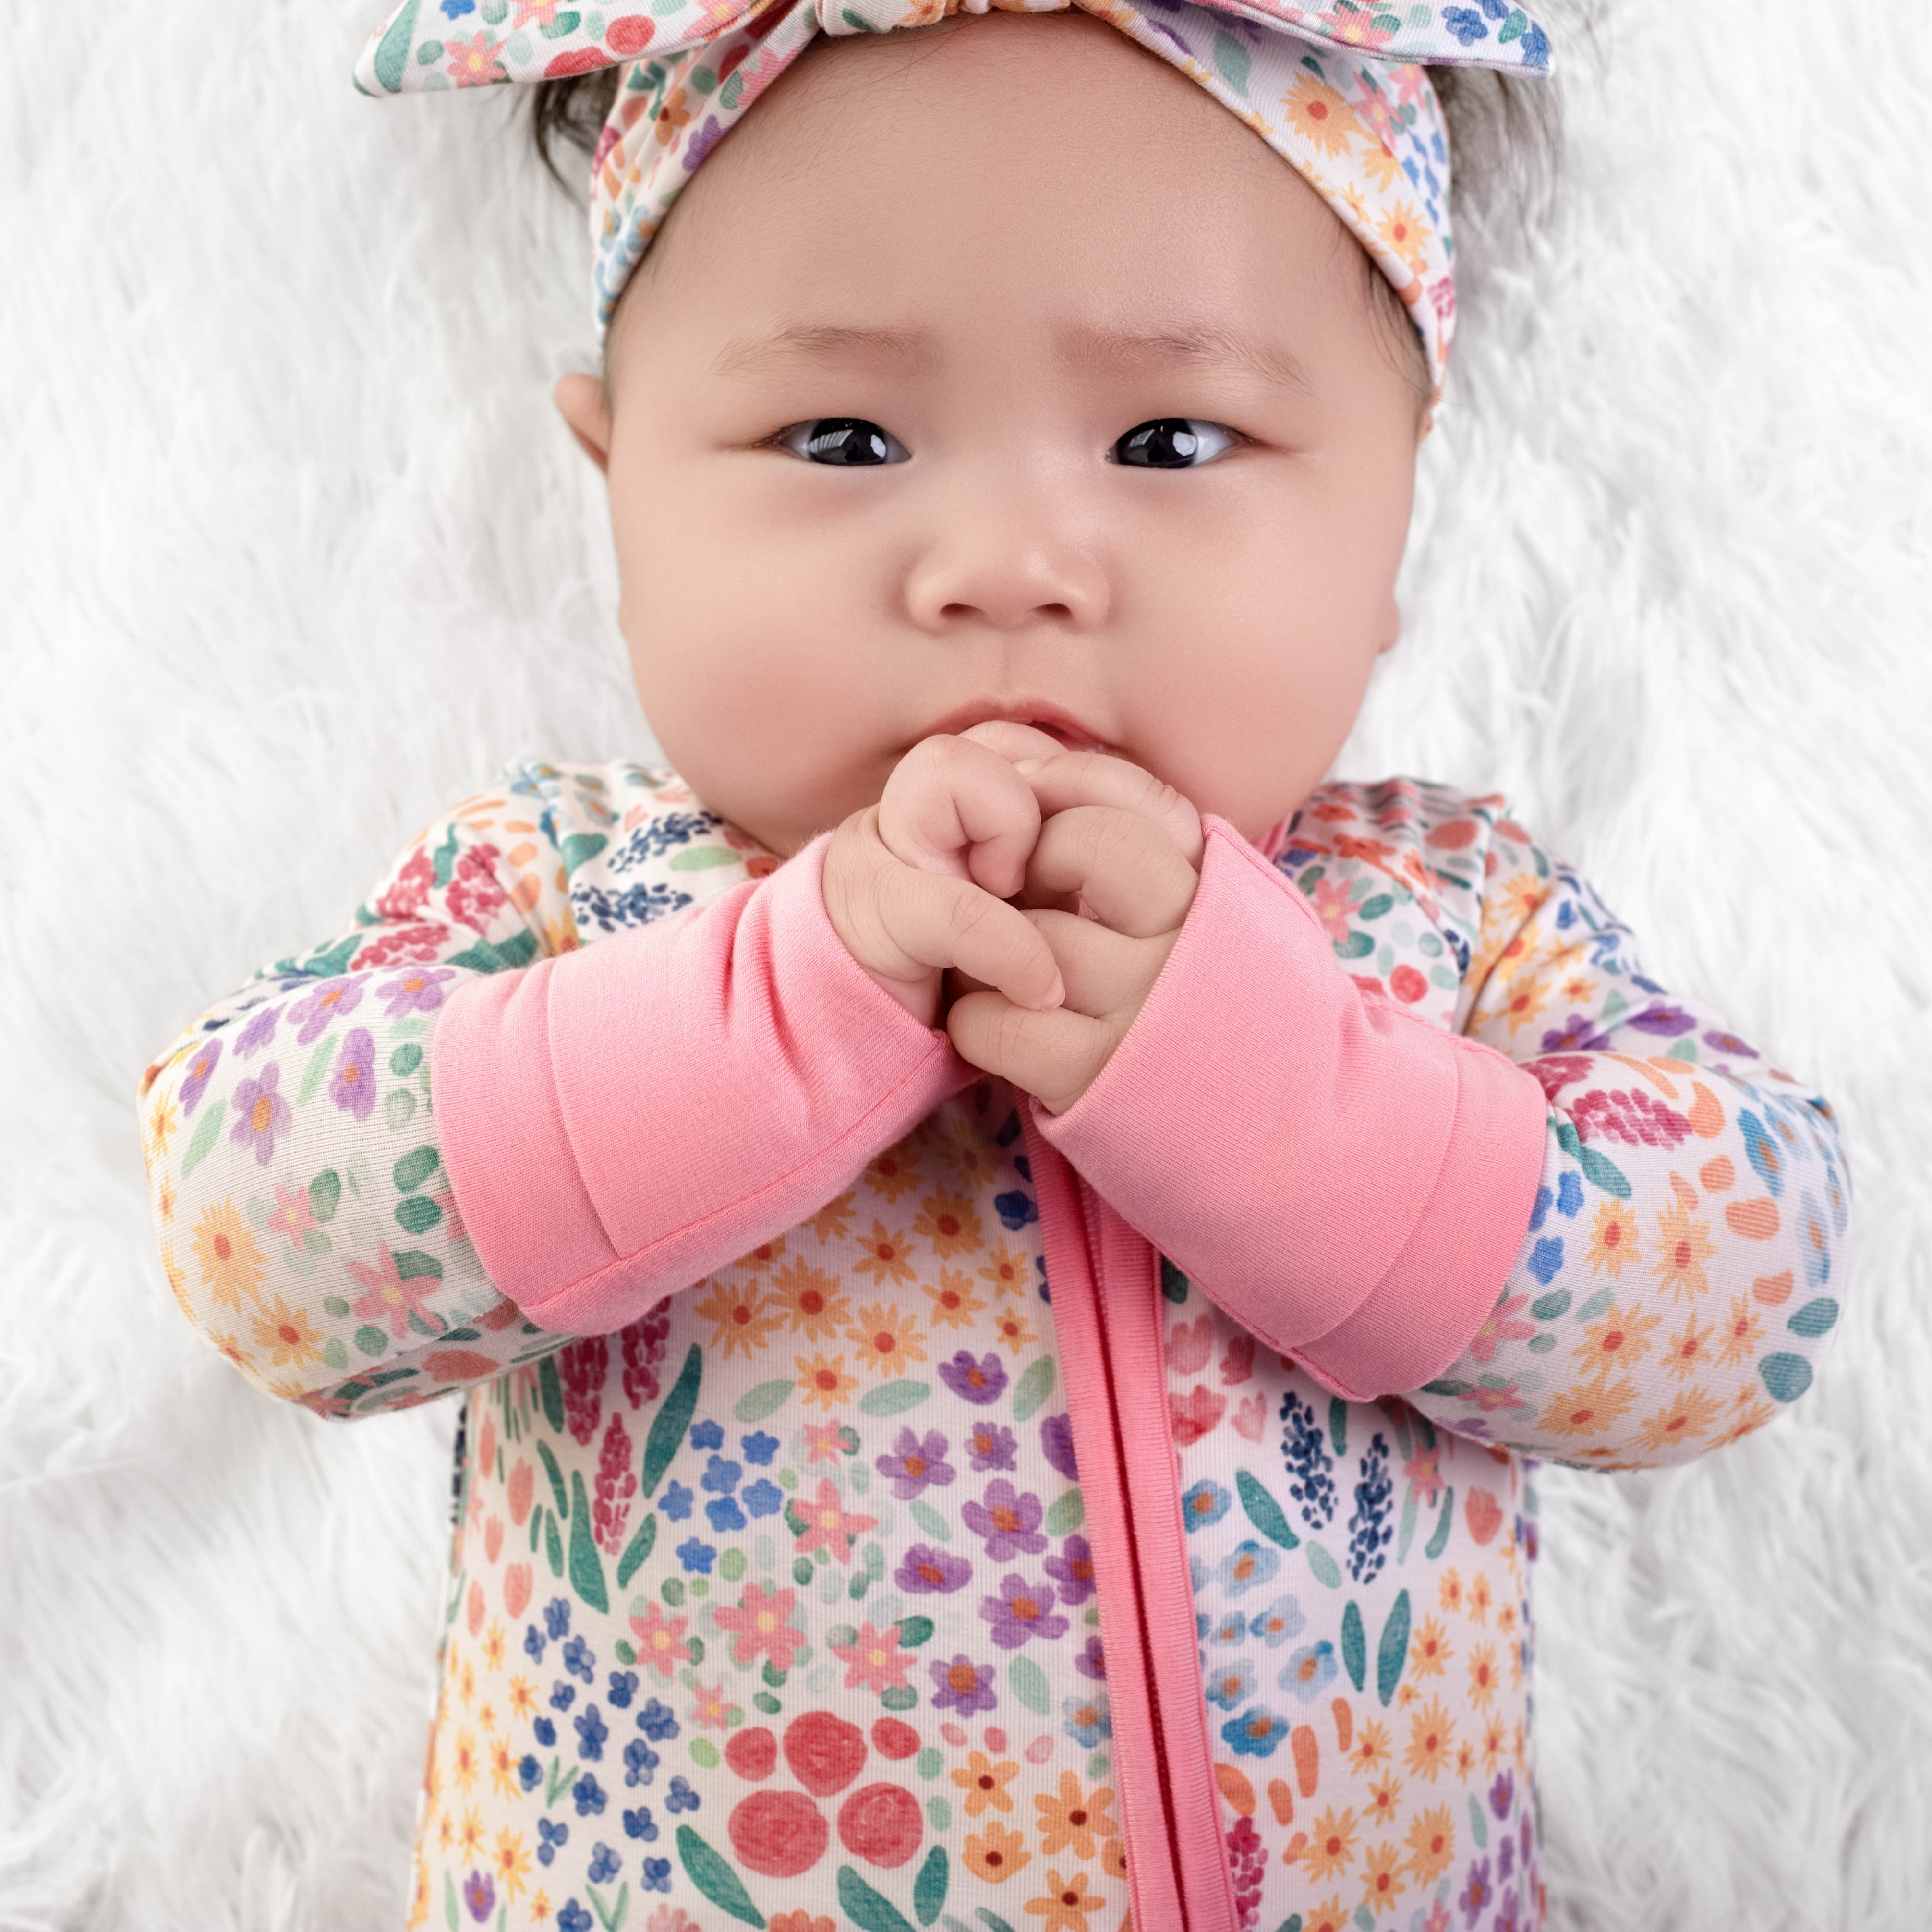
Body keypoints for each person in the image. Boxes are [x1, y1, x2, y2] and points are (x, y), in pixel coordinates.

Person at [137, 3, 1850, 1927]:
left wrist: (1298, 1103)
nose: (1009, 561)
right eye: (845, 436)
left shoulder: (1438, 918)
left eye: (1172, 438)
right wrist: (752, 1021)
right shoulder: (569, 903)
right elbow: (254, 1229)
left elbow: (1746, 1281)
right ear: (616, 489)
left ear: (1398, 496)